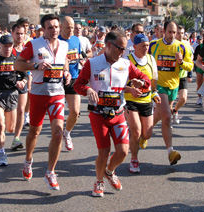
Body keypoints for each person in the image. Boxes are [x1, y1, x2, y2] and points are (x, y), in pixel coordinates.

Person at [74, 30, 151, 197]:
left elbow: (146, 81)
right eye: (120, 48)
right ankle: (99, 181)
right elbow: (77, 85)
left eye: (125, 49)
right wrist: (87, 89)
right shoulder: (92, 63)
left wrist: (141, 83)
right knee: (104, 152)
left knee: (123, 151)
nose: (123, 52)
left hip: (118, 114)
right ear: (108, 45)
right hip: (98, 115)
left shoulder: (125, 64)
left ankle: (109, 171)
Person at [14, 14, 71, 190]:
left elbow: (65, 61)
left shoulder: (64, 45)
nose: (54, 30)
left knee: (57, 133)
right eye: (50, 27)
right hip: (38, 94)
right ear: (43, 30)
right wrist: (35, 66)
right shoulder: (33, 44)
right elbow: (18, 64)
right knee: (34, 132)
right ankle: (28, 160)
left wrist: (67, 73)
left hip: (57, 94)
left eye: (56, 27)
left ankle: (50, 172)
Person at [148, 20, 193, 165]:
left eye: (174, 32)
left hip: (173, 86)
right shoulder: (154, 45)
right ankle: (170, 152)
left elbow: (189, 66)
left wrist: (181, 62)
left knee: (159, 116)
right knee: (167, 117)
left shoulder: (182, 46)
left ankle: (144, 134)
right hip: (158, 86)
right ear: (163, 31)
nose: (172, 35)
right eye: (169, 32)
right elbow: (145, 60)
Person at [0, 34, 27, 166]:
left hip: (12, 94)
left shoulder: (16, 59)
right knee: (0, 125)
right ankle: (2, 153)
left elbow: (25, 76)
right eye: (5, 46)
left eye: (10, 46)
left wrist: (22, 82)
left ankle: (10, 140)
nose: (8, 49)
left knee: (10, 128)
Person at [124, 33, 160, 173]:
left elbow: (154, 79)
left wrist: (154, 93)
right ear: (134, 46)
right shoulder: (128, 61)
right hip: (131, 100)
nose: (146, 48)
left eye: (147, 45)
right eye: (142, 46)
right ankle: (134, 159)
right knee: (136, 131)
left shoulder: (151, 59)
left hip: (146, 100)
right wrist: (132, 87)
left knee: (147, 134)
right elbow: (120, 81)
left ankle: (138, 138)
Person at [59, 16, 82, 151]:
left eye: (72, 28)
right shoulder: (57, 41)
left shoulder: (75, 40)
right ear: (61, 27)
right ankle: (56, 135)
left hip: (74, 78)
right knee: (58, 113)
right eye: (68, 28)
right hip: (58, 79)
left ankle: (67, 132)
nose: (70, 30)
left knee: (75, 111)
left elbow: (77, 58)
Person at [11, 22, 30, 148]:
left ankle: (16, 138)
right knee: (10, 113)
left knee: (21, 109)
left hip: (23, 82)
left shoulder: (28, 49)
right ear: (12, 34)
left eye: (22, 34)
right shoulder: (8, 49)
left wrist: (27, 80)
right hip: (8, 84)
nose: (19, 36)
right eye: (17, 33)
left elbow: (31, 65)